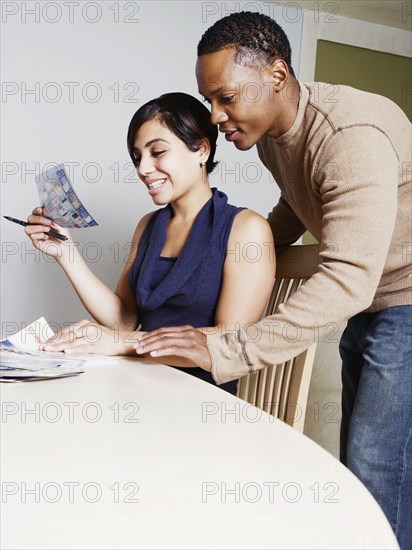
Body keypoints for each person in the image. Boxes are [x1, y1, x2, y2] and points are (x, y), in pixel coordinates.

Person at [133, 12, 412, 549]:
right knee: (371, 456)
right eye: (209, 101)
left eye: (226, 97)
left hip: (403, 298)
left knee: (376, 463)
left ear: (277, 75)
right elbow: (299, 205)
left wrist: (229, 349)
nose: (214, 116)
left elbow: (349, 279)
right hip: (372, 295)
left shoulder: (351, 136)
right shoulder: (271, 138)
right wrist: (247, 248)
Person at [25, 91, 275, 395]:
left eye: (157, 152)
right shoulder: (149, 225)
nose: (143, 169)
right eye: (138, 156)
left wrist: (123, 344)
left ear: (202, 150)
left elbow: (229, 343)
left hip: (201, 400)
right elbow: (124, 321)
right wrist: (66, 253)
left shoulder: (247, 229)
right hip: (137, 384)